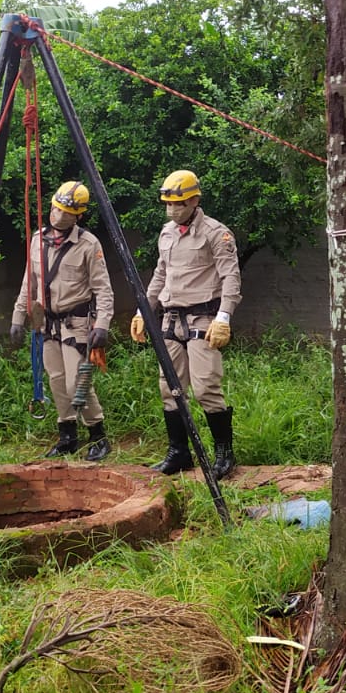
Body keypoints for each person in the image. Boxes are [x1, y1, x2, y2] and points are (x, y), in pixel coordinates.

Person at [132, 169, 242, 479]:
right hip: (170, 319)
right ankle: (178, 452)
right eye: (168, 204)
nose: (172, 210)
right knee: (169, 388)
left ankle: (224, 454)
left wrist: (224, 317)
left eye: (178, 204)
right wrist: (143, 311)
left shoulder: (215, 233)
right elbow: (160, 275)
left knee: (206, 386)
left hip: (202, 318)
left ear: (194, 201)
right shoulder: (167, 233)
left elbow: (230, 277)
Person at [10, 180, 114, 462]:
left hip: (76, 323)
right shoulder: (37, 240)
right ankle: (67, 436)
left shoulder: (88, 244)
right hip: (47, 324)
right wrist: (18, 317)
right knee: (56, 380)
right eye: (57, 209)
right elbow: (29, 283)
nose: (59, 216)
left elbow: (103, 289)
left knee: (76, 382)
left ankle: (98, 435)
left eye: (67, 213)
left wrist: (102, 324)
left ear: (78, 216)